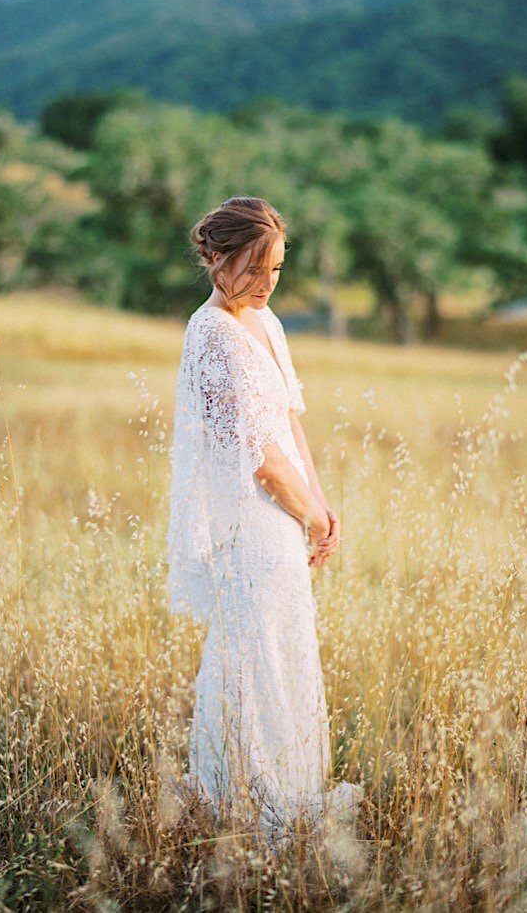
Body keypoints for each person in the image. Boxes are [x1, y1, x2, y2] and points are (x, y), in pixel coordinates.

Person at [165, 195, 360, 839]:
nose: (266, 283)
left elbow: (290, 421)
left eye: (276, 269)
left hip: (287, 516)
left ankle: (293, 786)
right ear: (216, 258)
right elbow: (258, 458)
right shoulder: (212, 331)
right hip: (251, 524)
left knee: (286, 647)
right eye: (254, 269)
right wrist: (305, 513)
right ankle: (244, 799)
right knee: (252, 656)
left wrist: (322, 507)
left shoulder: (267, 321)